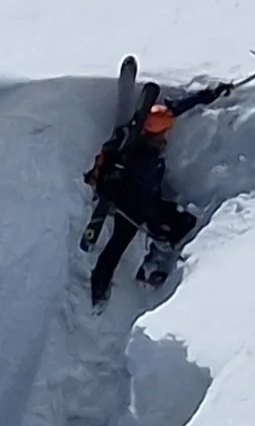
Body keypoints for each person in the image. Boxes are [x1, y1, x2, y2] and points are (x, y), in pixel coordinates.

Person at [84, 78, 233, 304]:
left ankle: (151, 262)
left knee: (177, 224)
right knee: (128, 243)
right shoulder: (139, 156)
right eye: (165, 133)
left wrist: (210, 94)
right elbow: (124, 185)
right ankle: (112, 285)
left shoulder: (147, 126)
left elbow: (175, 108)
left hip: (146, 203)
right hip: (132, 209)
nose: (167, 136)